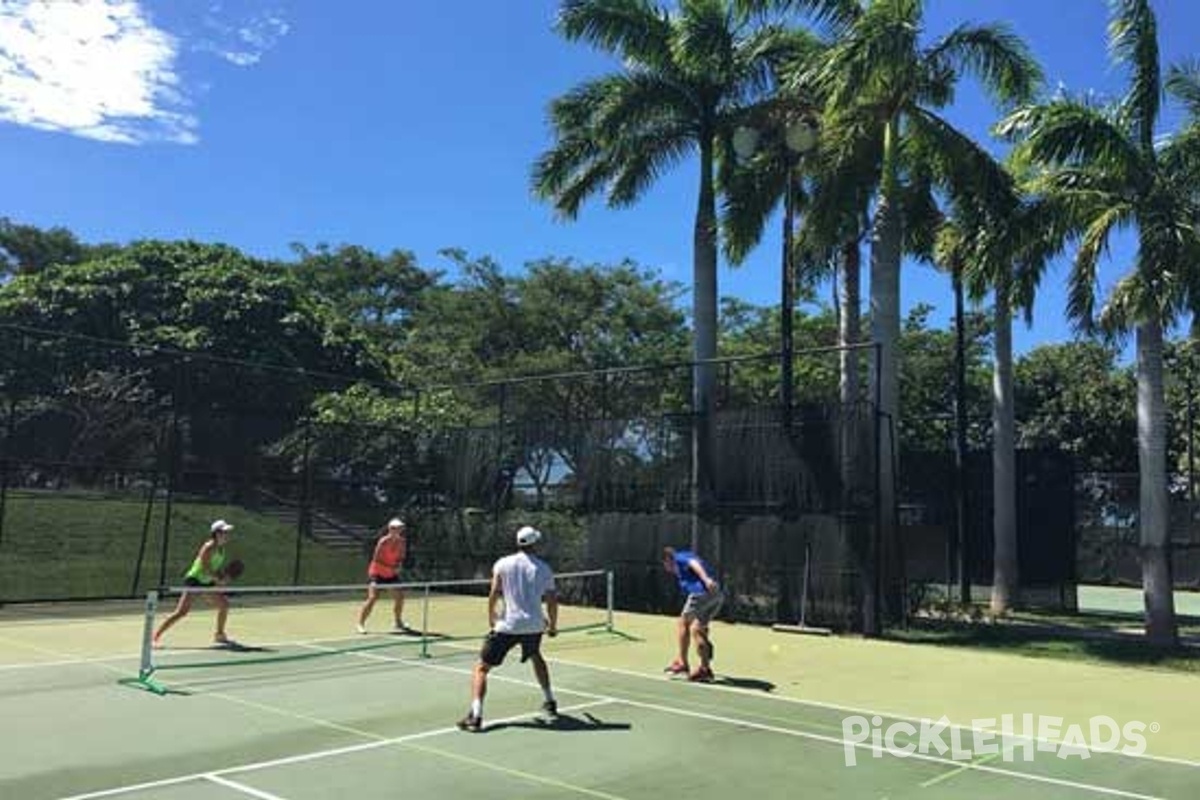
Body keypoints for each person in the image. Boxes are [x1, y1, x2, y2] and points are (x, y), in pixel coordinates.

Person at [457, 525, 559, 732]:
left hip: (508, 625)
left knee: (482, 668)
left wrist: (491, 617)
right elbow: (551, 601)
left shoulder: (502, 564)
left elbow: (494, 592)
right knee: (536, 656)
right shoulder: (544, 568)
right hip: (533, 626)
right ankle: (550, 700)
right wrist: (553, 625)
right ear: (535, 544)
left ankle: (476, 715)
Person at [153, 519, 236, 647]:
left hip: (207, 582)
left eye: (227, 532)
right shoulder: (209, 547)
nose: (227, 535)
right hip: (195, 580)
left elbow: (215, 567)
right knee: (181, 612)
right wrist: (218, 579)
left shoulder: (222, 549)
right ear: (216, 533)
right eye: (225, 532)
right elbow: (204, 567)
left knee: (224, 605)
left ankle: (219, 635)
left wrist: (223, 576)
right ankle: (155, 637)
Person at [662, 545, 724, 682]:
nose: (666, 568)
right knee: (697, 629)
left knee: (683, 622)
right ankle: (705, 669)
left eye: (665, 564)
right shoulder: (682, 564)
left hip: (702, 593)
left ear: (668, 559)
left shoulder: (679, 558)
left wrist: (706, 579)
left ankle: (682, 663)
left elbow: (694, 564)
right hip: (716, 595)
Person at [357, 518, 412, 634]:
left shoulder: (402, 542)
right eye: (395, 528)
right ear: (390, 529)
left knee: (400, 597)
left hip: (391, 574)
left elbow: (401, 556)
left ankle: (398, 622)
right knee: (373, 598)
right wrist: (391, 567)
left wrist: (398, 565)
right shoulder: (383, 542)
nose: (398, 530)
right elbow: (377, 559)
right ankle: (360, 624)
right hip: (377, 572)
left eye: (400, 528)